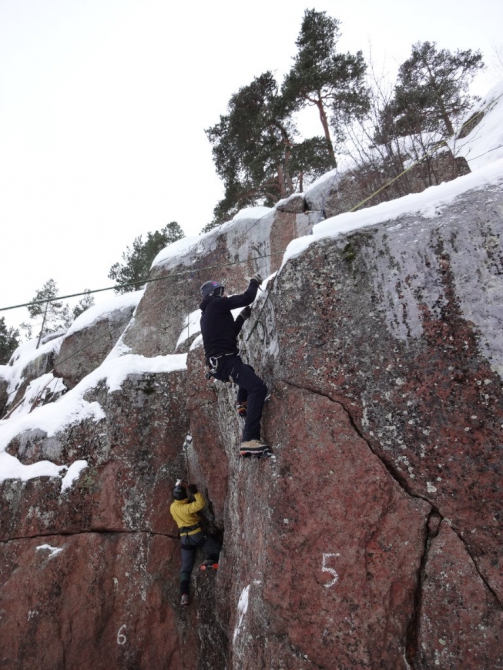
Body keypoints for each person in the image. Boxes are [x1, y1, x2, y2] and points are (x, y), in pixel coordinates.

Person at [199, 276, 271, 457]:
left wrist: (241, 318)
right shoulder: (215, 305)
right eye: (222, 292)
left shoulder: (209, 313)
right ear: (214, 294)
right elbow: (247, 298)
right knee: (258, 388)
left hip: (222, 364)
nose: (225, 295)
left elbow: (229, 334)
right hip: (226, 361)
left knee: (248, 372)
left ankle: (243, 403)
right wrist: (254, 282)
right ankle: (249, 440)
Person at [169, 480, 221, 607]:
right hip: (196, 535)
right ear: (184, 496)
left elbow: (179, 496)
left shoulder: (172, 507)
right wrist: (195, 492)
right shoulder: (187, 508)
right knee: (217, 549)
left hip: (185, 539)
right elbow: (201, 503)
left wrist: (179, 486)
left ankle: (184, 595)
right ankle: (209, 561)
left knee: (185, 569)